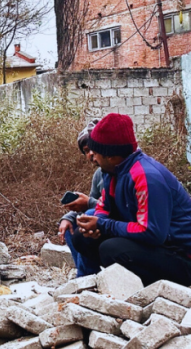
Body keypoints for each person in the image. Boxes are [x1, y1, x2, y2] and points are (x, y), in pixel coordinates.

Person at [71, 113, 191, 285]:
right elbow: (104, 207)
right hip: (155, 246)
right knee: (83, 238)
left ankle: (154, 289)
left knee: (110, 250)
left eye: (96, 153)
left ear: (111, 156)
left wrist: (103, 225)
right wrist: (97, 224)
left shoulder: (146, 177)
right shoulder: (112, 172)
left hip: (180, 254)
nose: (93, 158)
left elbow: (151, 233)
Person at [58, 120, 104, 277]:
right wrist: (67, 218)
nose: (91, 153)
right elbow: (94, 202)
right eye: (86, 150)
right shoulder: (99, 175)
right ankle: (86, 276)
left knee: (87, 217)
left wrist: (88, 204)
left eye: (93, 147)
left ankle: (84, 279)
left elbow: (115, 207)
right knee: (71, 225)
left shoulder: (119, 171)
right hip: (103, 222)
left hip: (118, 225)